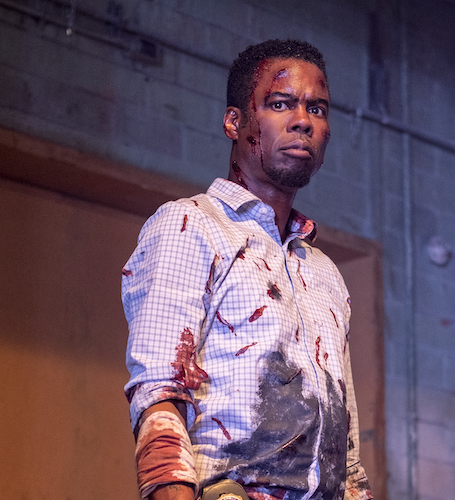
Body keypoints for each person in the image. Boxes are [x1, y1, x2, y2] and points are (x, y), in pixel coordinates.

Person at [122, 39, 373, 500]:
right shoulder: (190, 225)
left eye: (317, 109)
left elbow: (348, 456)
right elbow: (159, 397)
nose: (303, 120)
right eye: (280, 104)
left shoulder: (323, 272)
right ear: (234, 122)